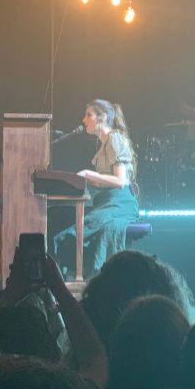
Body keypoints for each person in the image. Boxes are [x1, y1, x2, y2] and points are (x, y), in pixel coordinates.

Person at [53, 99, 139, 275]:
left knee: (72, 234)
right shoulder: (104, 144)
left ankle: (85, 276)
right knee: (60, 219)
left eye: (89, 115)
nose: (84, 120)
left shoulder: (115, 138)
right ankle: (70, 275)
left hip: (119, 203)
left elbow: (120, 181)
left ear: (103, 117)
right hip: (106, 202)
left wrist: (88, 174)